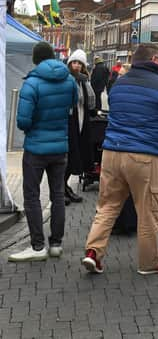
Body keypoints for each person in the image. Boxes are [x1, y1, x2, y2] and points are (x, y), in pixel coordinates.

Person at [82, 43, 158, 275]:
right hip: (144, 155)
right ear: (156, 60)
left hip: (111, 153)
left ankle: (93, 252)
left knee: (107, 207)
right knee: (148, 211)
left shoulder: (119, 84)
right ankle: (149, 262)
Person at [9, 42, 77, 262]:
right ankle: (56, 244)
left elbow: (23, 121)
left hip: (36, 149)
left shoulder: (32, 84)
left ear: (35, 59)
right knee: (57, 194)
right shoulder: (69, 80)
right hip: (60, 147)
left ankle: (37, 246)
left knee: (32, 196)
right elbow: (73, 106)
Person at [63, 49, 97, 205]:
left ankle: (65, 186)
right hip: (71, 121)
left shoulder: (84, 81)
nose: (76, 66)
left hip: (82, 121)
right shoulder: (66, 79)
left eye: (79, 63)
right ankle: (62, 188)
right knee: (69, 156)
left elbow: (89, 103)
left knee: (77, 156)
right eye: (74, 62)